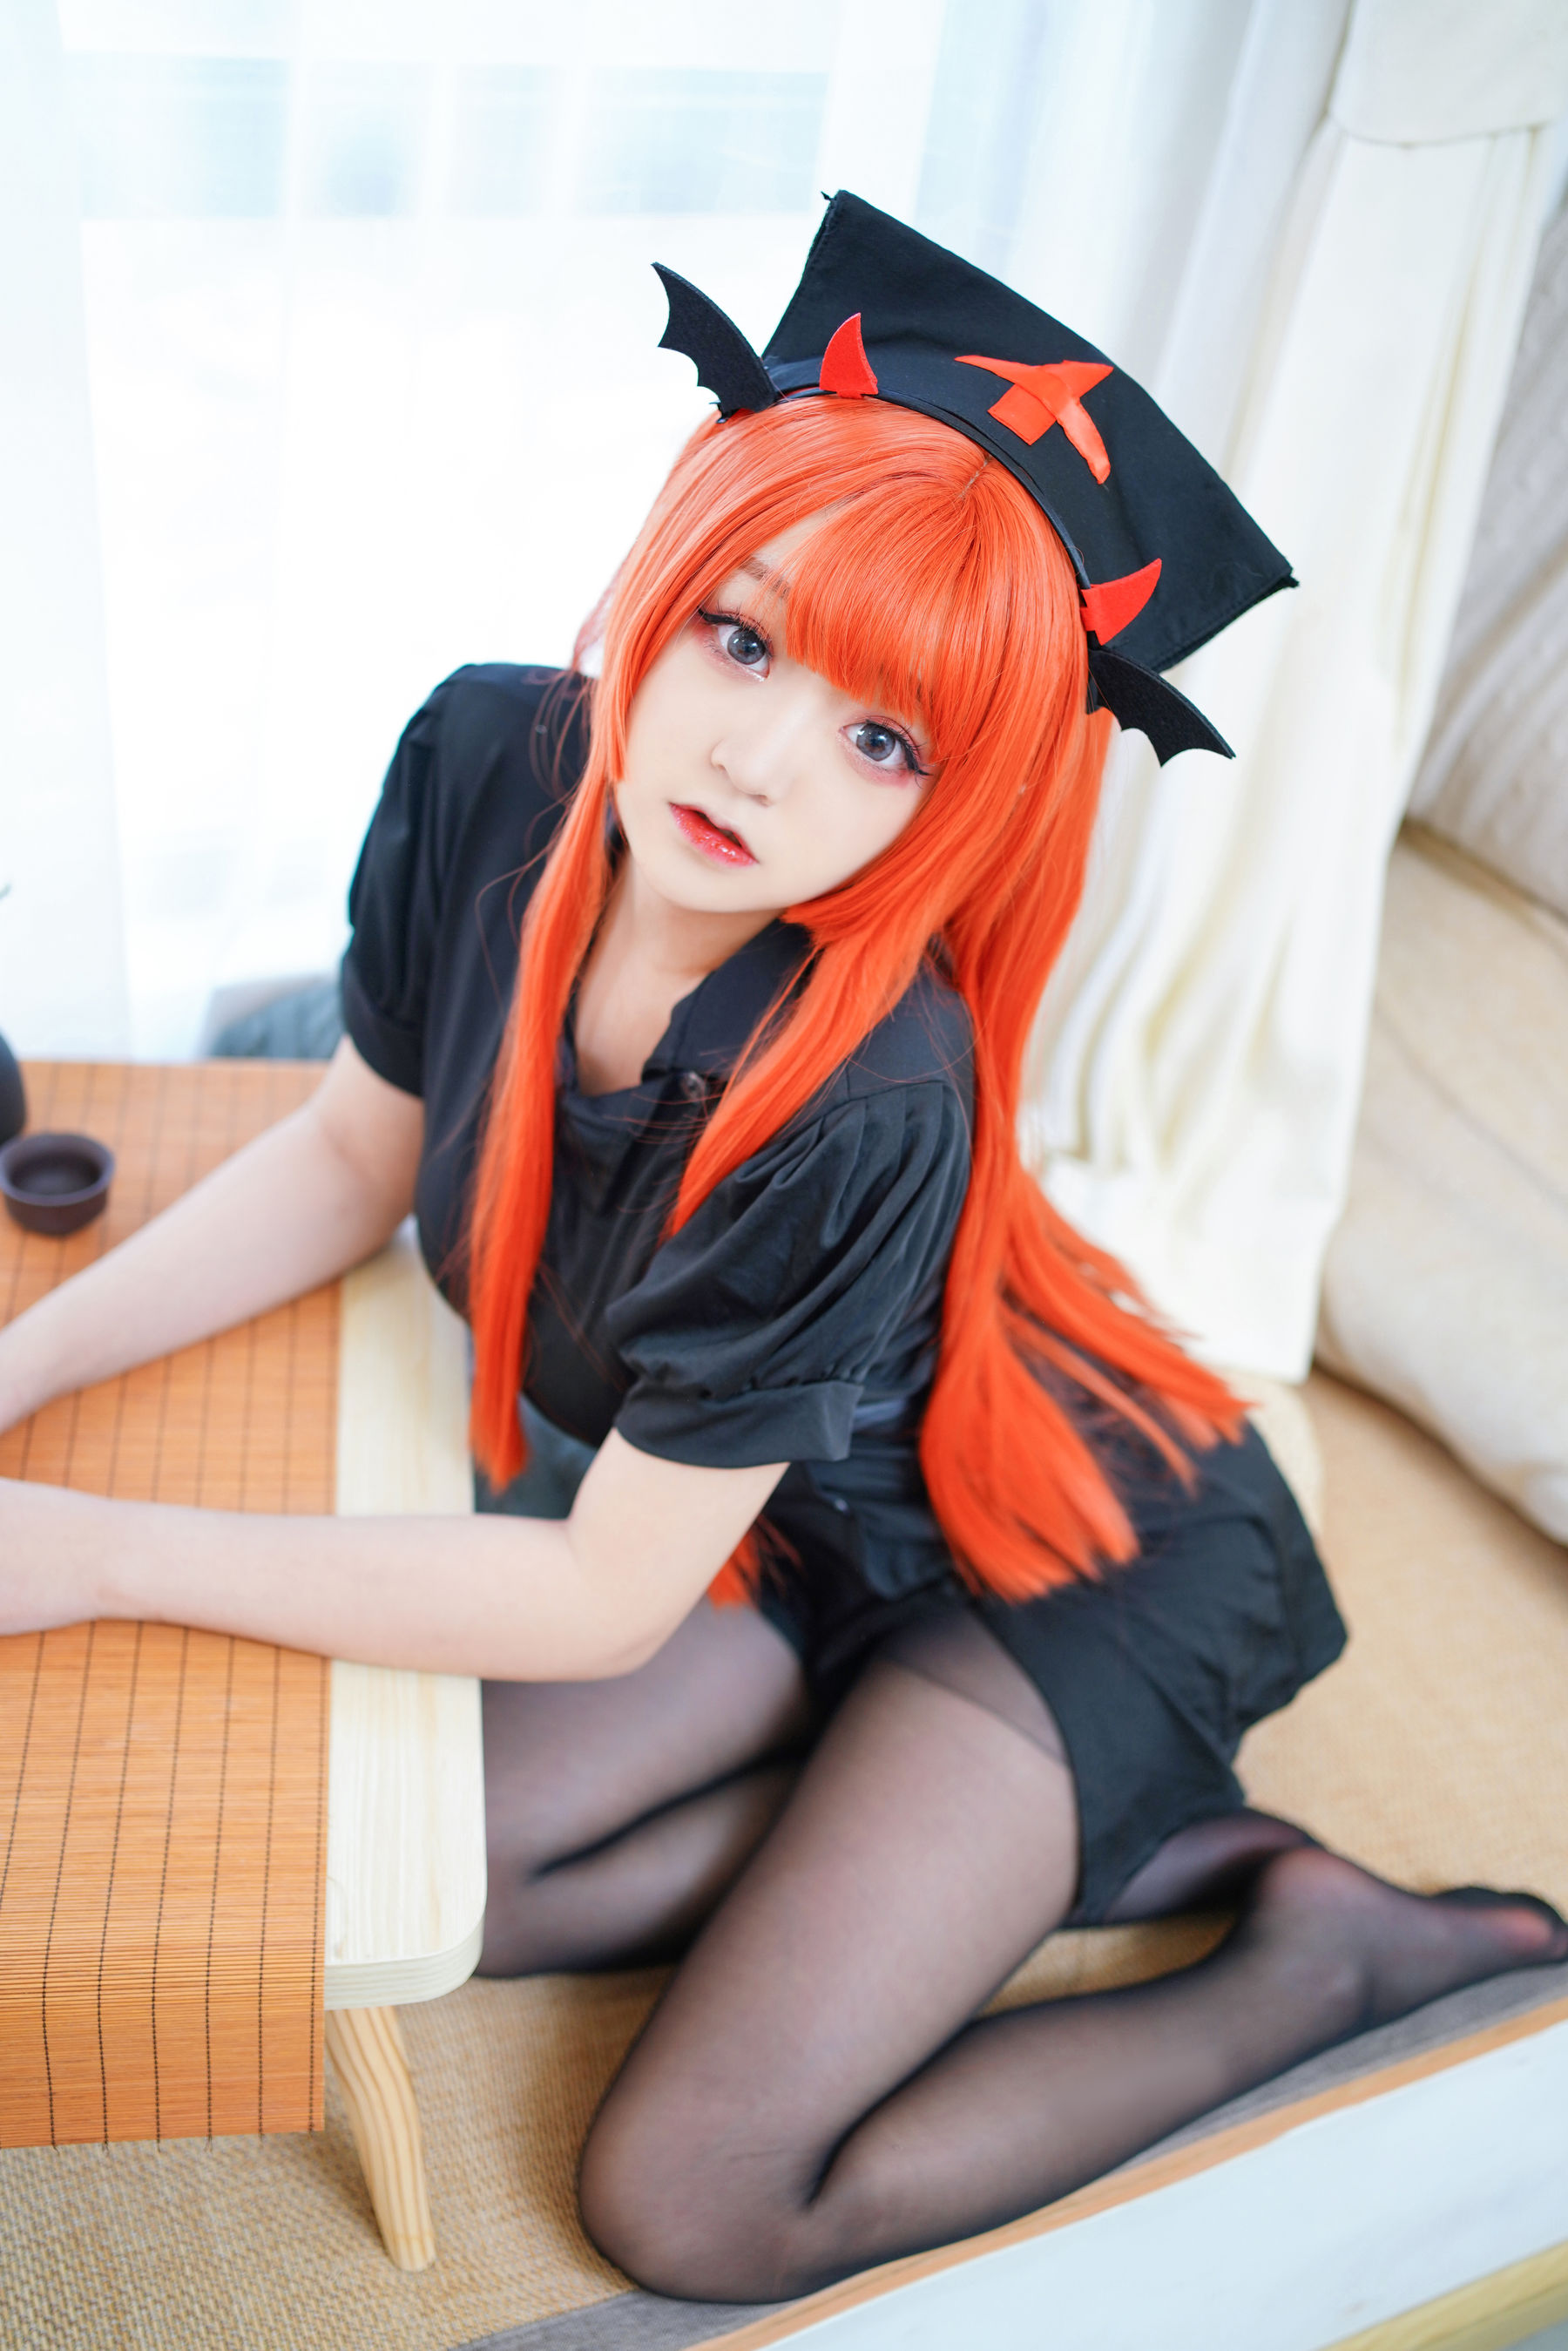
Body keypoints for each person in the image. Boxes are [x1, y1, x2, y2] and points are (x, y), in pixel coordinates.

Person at [2, 195, 1562, 2305]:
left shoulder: (870, 1091)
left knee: (699, 2195)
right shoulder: (483, 763)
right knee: (418, 1879)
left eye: (883, 736)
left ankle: (1327, 1949)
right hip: (767, 1530)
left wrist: (93, 1547)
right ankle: (909, 1827)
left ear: (961, 797)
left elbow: (592, 1587)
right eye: (745, 636)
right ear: (672, 568)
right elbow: (349, 1156)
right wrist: (23, 1368)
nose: (756, 756)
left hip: (1058, 1556)